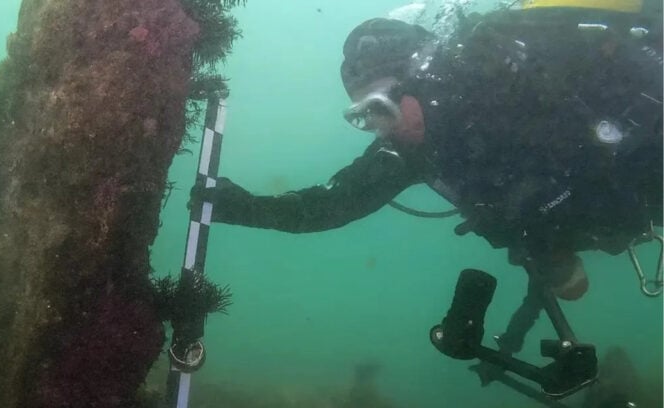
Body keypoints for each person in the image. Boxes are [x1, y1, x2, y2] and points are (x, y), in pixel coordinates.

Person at [190, 0, 663, 301]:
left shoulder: (518, 73)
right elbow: (335, 204)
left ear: (420, 80)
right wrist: (246, 208)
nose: (378, 130)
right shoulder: (414, 149)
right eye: (361, 117)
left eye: (378, 108)